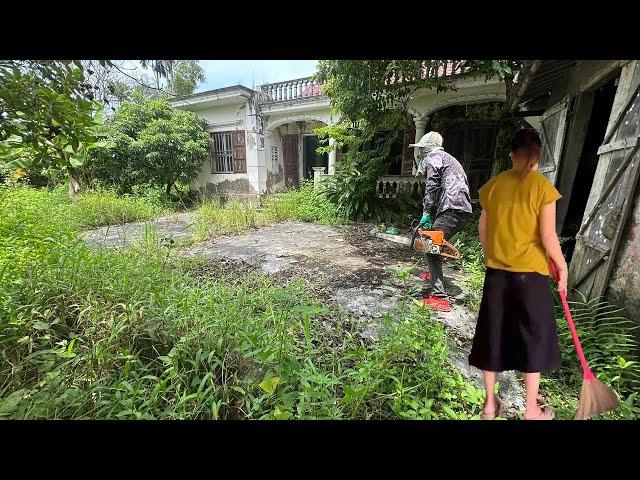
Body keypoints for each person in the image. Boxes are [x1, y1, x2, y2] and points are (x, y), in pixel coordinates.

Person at [468, 128, 567, 420]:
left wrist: (492, 255)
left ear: (511, 154)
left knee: (493, 336)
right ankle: (531, 410)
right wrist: (561, 266)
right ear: (537, 156)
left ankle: (489, 405)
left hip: (497, 275)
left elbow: (482, 228)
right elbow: (548, 238)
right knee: (532, 339)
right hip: (532, 278)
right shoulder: (542, 187)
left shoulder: (494, 186)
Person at [411, 131, 473, 312]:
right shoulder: (447, 158)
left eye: (421, 151)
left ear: (426, 149)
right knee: (433, 243)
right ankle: (433, 276)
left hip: (453, 208)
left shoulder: (434, 156)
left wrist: (426, 212)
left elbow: (432, 185)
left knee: (430, 246)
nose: (420, 154)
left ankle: (440, 298)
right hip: (457, 207)